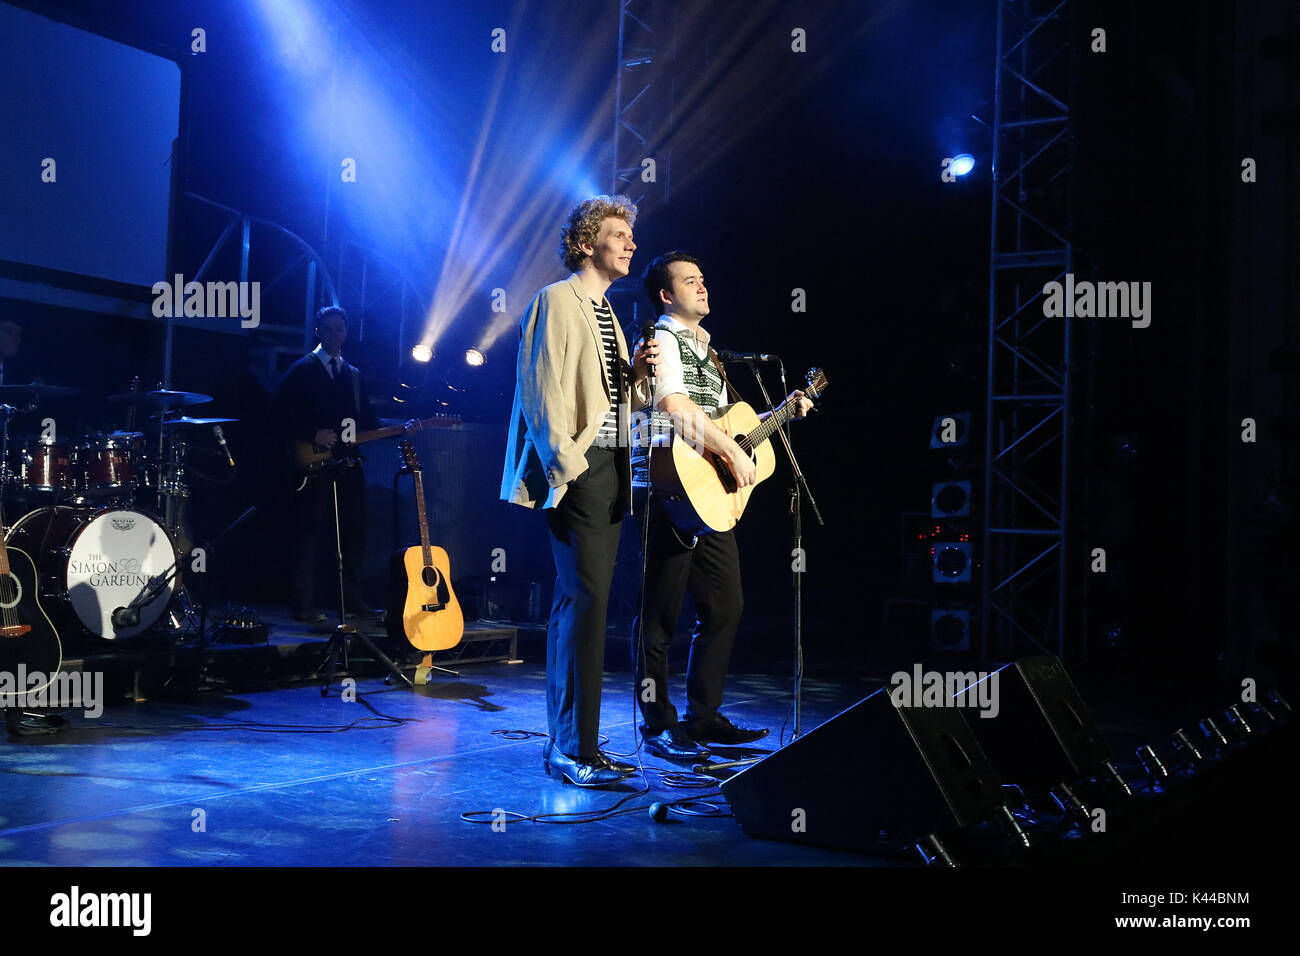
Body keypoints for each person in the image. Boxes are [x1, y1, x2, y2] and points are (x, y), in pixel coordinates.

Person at [500, 195, 658, 787]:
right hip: (582, 466)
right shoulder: (556, 301)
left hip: (614, 465)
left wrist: (636, 379)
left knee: (591, 607)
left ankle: (580, 743)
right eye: (620, 233)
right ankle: (571, 748)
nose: (631, 244)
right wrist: (566, 466)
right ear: (587, 243)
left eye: (631, 235)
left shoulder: (609, 313)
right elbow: (541, 393)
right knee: (582, 603)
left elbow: (617, 403)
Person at [630, 251, 813, 761]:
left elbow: (728, 424)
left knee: (725, 606)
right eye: (691, 281)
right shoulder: (662, 340)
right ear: (667, 295)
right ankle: (659, 724)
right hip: (667, 490)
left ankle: (704, 716)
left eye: (704, 279)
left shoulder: (709, 352)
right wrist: (731, 449)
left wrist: (781, 414)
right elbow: (673, 408)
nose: (703, 287)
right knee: (659, 617)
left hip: (708, 497)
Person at [270, 306, 381, 623]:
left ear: (347, 332)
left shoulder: (354, 375)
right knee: (309, 533)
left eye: (339, 329)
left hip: (347, 463)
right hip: (316, 464)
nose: (334, 335)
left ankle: (350, 598)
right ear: (318, 331)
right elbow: (277, 414)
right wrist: (310, 433)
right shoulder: (303, 369)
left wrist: (401, 430)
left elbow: (367, 421)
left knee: (354, 531)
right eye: (328, 329)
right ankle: (302, 602)